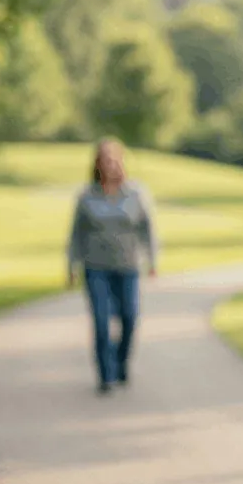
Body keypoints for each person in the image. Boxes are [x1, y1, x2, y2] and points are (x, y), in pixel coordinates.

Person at [66, 137, 158, 394]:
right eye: (105, 160)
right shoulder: (86, 196)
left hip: (128, 266)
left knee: (129, 317)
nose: (111, 165)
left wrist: (152, 260)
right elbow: (76, 234)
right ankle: (105, 376)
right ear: (97, 164)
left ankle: (120, 364)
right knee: (101, 321)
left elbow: (147, 228)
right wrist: (71, 265)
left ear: (122, 162)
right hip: (95, 267)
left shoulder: (136, 193)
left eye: (115, 159)